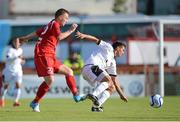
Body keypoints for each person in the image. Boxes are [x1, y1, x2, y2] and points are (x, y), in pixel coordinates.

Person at [19, 8, 83, 112]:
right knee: (50, 80)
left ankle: (76, 95)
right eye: (66, 18)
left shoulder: (50, 24)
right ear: (60, 17)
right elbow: (60, 37)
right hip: (43, 55)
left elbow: (37, 32)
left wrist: (25, 38)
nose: (66, 21)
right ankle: (35, 102)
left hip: (51, 56)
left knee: (69, 71)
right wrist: (71, 30)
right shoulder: (55, 24)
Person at [76, 31, 128, 112]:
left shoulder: (112, 62)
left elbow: (114, 80)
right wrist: (84, 35)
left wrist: (121, 95)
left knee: (112, 87)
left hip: (91, 72)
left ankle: (96, 106)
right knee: (108, 80)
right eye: (123, 50)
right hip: (90, 66)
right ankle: (93, 95)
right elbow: (96, 40)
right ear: (117, 48)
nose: (123, 52)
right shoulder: (109, 48)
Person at [0, 38, 25, 107]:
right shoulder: (10, 50)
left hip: (18, 70)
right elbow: (8, 58)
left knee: (18, 85)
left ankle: (15, 101)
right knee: (5, 86)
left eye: (18, 42)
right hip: (9, 70)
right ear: (13, 43)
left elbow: (20, 59)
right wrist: (17, 57)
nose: (17, 43)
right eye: (15, 42)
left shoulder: (20, 50)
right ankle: (1, 99)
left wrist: (22, 61)